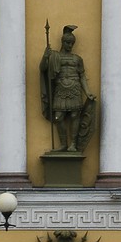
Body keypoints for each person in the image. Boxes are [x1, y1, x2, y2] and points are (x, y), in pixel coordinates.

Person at [40, 24, 94, 153]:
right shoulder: (54, 56)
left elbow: (82, 76)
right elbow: (43, 69)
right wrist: (45, 56)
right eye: (68, 43)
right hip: (60, 88)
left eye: (72, 43)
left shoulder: (77, 59)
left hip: (74, 88)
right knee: (59, 116)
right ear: (63, 42)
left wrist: (88, 93)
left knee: (75, 115)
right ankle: (64, 144)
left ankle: (73, 144)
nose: (70, 46)